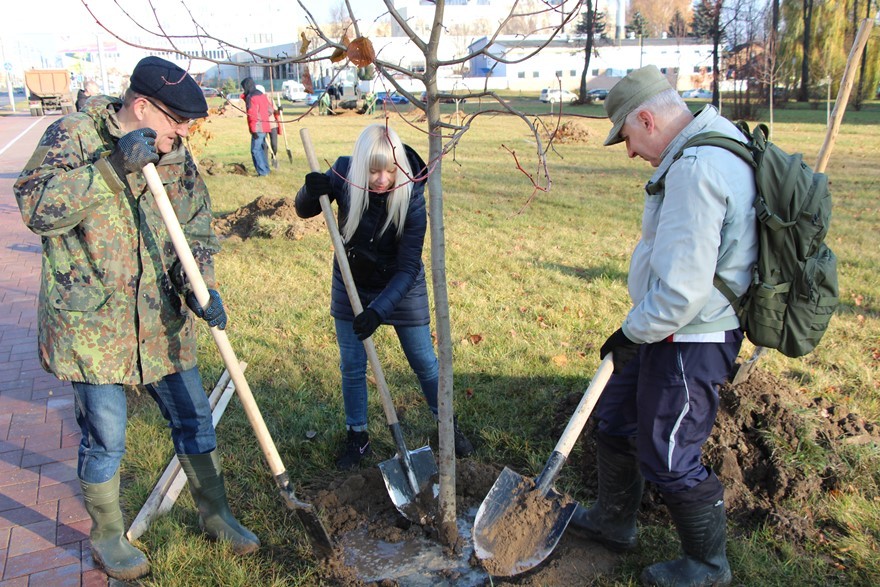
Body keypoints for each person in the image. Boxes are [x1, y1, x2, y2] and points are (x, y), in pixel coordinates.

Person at [14, 56, 259, 581]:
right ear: (142, 107)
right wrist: (110, 170)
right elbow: (36, 209)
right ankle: (107, 535)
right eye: (177, 121)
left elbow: (194, 228)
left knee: (194, 417)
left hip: (161, 321)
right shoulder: (75, 136)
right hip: (94, 330)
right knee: (107, 436)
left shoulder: (175, 155)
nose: (184, 132)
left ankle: (215, 514)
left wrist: (200, 286)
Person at [567, 65, 758, 587]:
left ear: (647, 118)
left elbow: (681, 289)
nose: (629, 152)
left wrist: (632, 333)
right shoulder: (703, 151)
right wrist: (639, 330)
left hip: (691, 335)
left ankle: (707, 565)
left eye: (627, 137)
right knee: (616, 419)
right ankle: (613, 521)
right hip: (666, 328)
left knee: (669, 452)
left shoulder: (697, 170)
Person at [294, 123, 474, 470]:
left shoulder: (413, 197)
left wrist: (377, 312)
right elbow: (305, 209)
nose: (381, 179)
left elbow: (408, 268)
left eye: (389, 171)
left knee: (423, 360)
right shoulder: (344, 175)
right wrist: (308, 190)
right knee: (352, 366)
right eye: (373, 170)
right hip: (352, 282)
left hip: (400, 287)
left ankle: (447, 427)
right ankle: (357, 436)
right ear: (361, 166)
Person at [240, 77, 272, 176]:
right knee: (261, 149)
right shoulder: (262, 95)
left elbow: (252, 115)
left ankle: (263, 172)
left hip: (257, 128)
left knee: (255, 150)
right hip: (265, 125)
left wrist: (253, 130)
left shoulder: (251, 97)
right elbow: (270, 110)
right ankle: (266, 169)